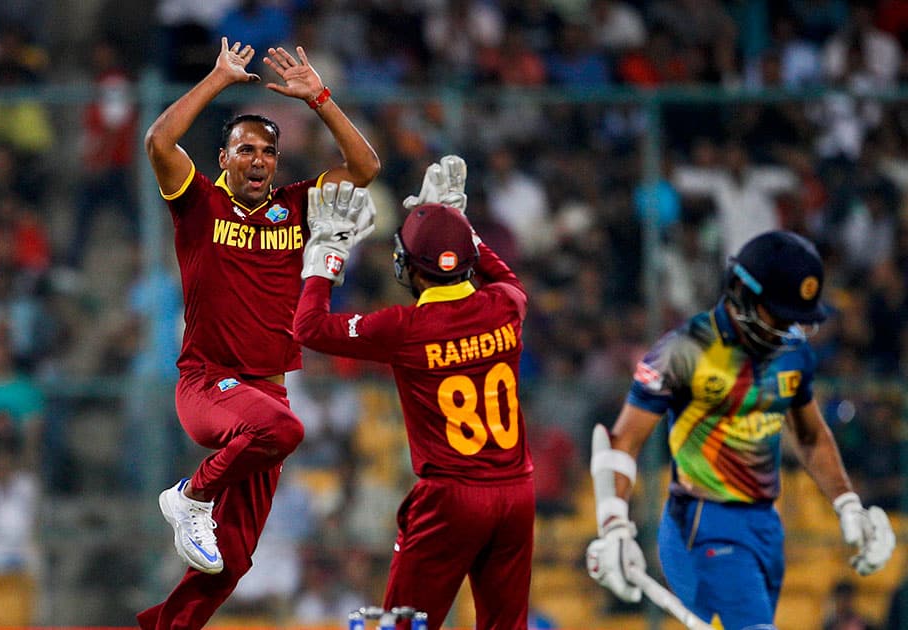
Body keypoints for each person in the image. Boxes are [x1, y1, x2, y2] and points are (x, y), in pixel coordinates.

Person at [136, 37, 380, 630]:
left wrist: (320, 98)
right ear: (223, 158)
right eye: (245, 149)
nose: (258, 160)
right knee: (286, 428)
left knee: (236, 557)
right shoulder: (198, 204)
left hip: (266, 396)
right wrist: (219, 79)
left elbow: (367, 168)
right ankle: (189, 496)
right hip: (206, 385)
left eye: (267, 151)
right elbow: (158, 141)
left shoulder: (296, 208)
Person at [585, 230, 897, 629]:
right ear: (740, 291)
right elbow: (625, 438)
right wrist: (613, 524)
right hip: (701, 524)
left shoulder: (793, 353)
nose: (789, 329)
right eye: (779, 314)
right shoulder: (684, 350)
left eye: (796, 319)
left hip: (765, 527)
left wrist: (847, 503)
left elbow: (809, 435)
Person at [294, 156, 534, 630]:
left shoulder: (404, 328)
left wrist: (327, 254)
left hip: (451, 498)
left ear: (409, 267)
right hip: (515, 492)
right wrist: (461, 226)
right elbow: (506, 278)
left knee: (400, 626)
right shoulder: (505, 305)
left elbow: (309, 326)